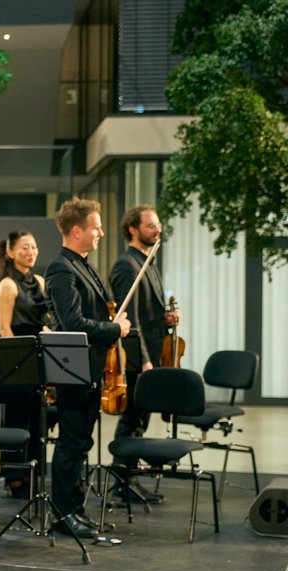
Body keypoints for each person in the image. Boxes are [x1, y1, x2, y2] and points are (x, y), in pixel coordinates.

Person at [44, 198, 130, 539]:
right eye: (95, 227)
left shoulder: (83, 265)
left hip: (90, 370)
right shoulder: (62, 268)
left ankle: (75, 508)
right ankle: (64, 514)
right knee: (72, 442)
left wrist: (114, 322)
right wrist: (114, 330)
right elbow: (73, 323)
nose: (101, 234)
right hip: (74, 370)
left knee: (80, 442)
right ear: (76, 231)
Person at [109, 204, 178, 502]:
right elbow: (131, 319)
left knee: (139, 420)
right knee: (131, 420)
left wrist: (166, 318)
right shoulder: (127, 265)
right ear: (133, 230)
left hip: (151, 354)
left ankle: (128, 480)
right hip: (139, 358)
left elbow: (148, 313)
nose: (157, 229)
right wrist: (146, 361)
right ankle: (121, 483)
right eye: (151, 225)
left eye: (158, 224)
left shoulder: (148, 262)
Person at [0, 231, 51, 497]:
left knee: (38, 421)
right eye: (24, 247)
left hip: (41, 360)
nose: (31, 252)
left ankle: (35, 472)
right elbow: (5, 329)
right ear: (11, 252)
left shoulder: (40, 281)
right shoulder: (7, 284)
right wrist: (21, 363)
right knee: (17, 419)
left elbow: (48, 320)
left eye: (34, 247)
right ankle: (15, 477)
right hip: (19, 361)